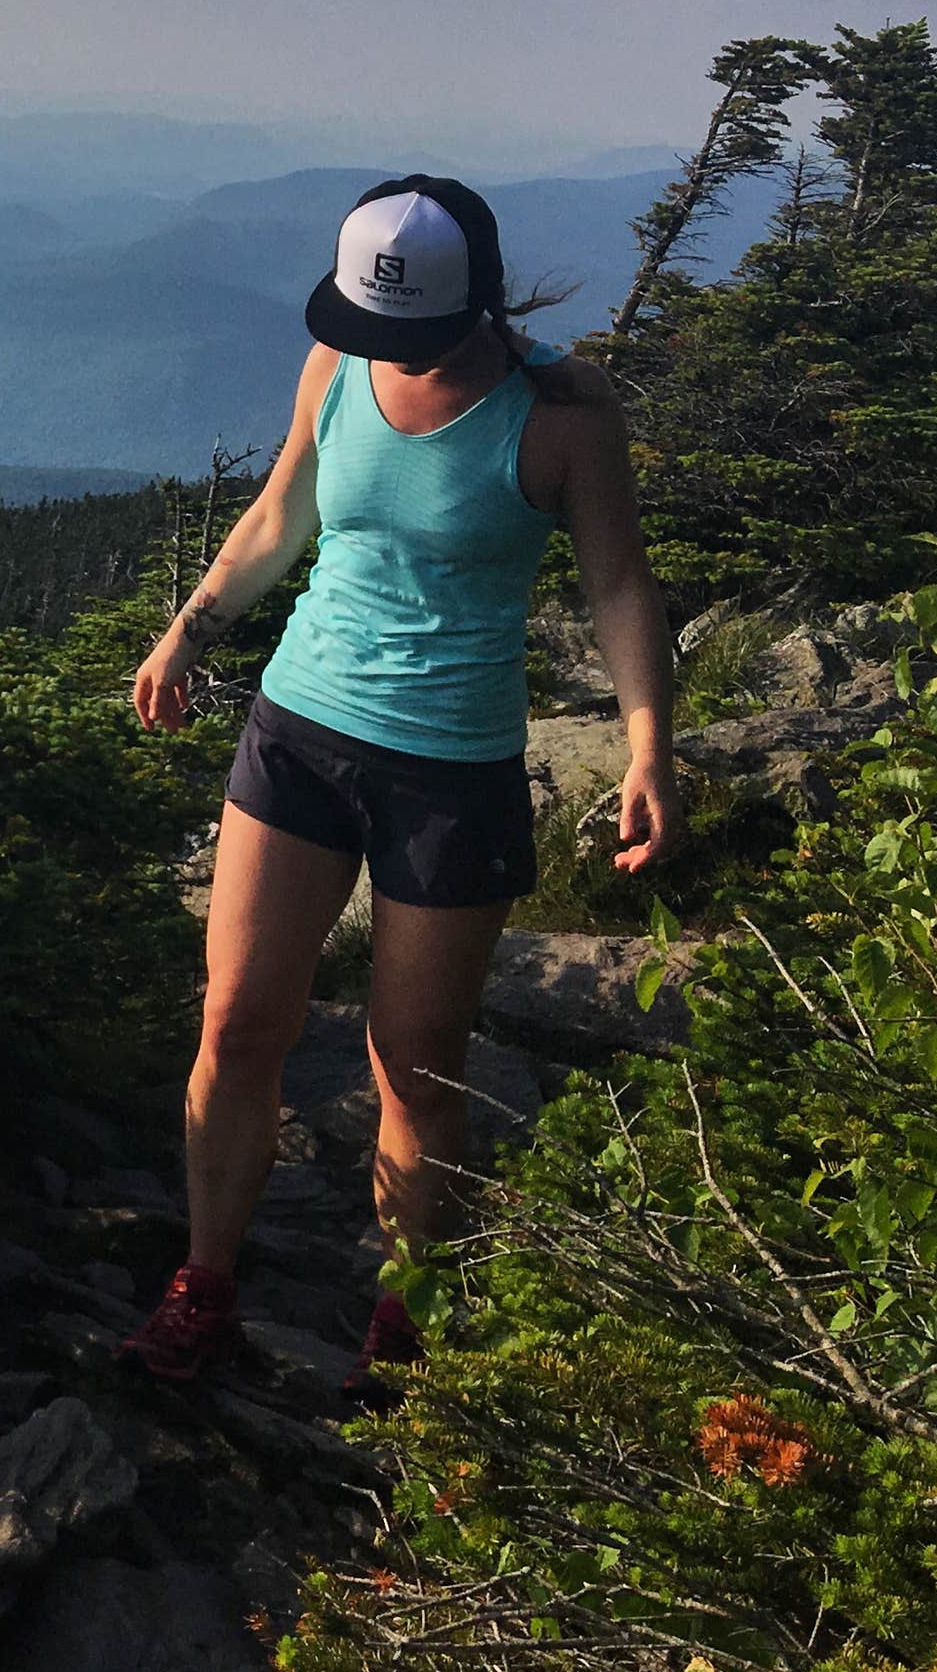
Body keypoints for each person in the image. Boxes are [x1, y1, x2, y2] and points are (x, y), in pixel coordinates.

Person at [120, 175, 677, 1402]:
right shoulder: (335, 360)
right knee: (236, 1024)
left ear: (475, 301)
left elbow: (621, 584)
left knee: (414, 1065)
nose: (389, 351)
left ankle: (405, 1327)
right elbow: (280, 517)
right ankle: (205, 1286)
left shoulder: (562, 414)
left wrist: (648, 747)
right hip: (298, 733)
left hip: (452, 767)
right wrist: (188, 634)